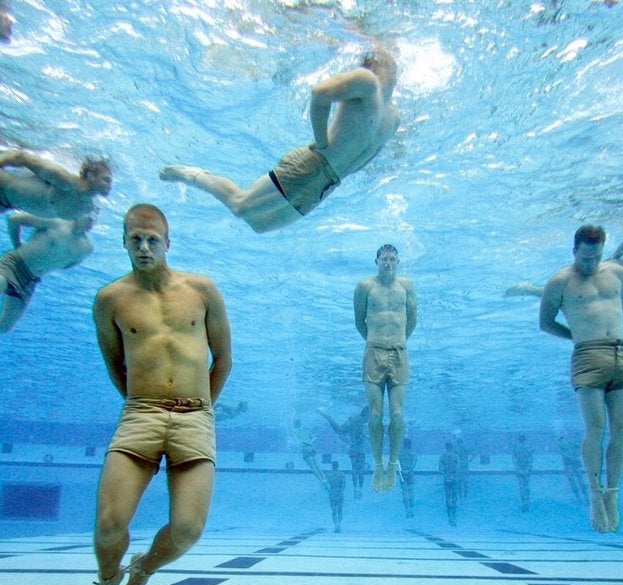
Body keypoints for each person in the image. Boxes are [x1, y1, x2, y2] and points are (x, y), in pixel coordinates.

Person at [84, 204, 232, 585]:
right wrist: (142, 403)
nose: (145, 247)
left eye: (153, 240)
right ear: (125, 242)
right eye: (136, 239)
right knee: (109, 525)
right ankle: (107, 578)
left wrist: (200, 408)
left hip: (195, 416)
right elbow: (115, 363)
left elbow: (224, 359)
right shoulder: (109, 300)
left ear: (168, 243)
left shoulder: (202, 291)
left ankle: (142, 570)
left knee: (188, 530)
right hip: (141, 413)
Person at [159, 47, 400, 233]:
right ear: (375, 60)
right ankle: (194, 175)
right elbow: (320, 93)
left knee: (260, 225)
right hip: (314, 165)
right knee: (241, 206)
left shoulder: (393, 118)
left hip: (330, 183)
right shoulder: (366, 82)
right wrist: (321, 141)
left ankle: (200, 177)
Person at [539, 224, 623, 533]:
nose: (590, 263)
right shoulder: (559, 282)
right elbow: (545, 323)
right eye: (584, 257)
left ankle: (612, 494)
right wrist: (579, 337)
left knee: (621, 429)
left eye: (595, 256)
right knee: (596, 427)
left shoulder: (618, 274)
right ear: (574, 252)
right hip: (587, 356)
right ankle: (595, 496)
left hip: (621, 353)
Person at [354, 243, 417, 493]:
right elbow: (359, 320)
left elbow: (412, 318)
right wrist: (375, 343)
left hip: (399, 353)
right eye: (384, 259)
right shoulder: (365, 287)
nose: (388, 263)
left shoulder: (407, 286)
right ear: (377, 261)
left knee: (398, 415)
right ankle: (378, 464)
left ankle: (393, 464)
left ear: (398, 262)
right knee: (376, 415)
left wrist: (398, 342)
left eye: (392, 259)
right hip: (374, 352)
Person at [504, 215, 623, 296]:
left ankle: (531, 290)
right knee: (572, 291)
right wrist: (614, 259)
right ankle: (529, 289)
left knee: (574, 292)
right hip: (622, 269)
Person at [1, 212, 95, 333]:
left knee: (5, 327)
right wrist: (17, 244)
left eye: (95, 218)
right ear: (78, 214)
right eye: (89, 217)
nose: (92, 221)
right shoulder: (55, 221)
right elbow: (14, 219)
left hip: (30, 280)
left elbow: (68, 265)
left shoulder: (86, 248)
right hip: (14, 264)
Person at [0, 150, 112, 219]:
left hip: (8, 205)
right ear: (90, 176)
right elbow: (22, 157)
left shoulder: (87, 207)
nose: (109, 186)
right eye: (106, 180)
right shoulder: (65, 181)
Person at [318, 406, 369, 499]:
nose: (369, 419)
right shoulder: (361, 423)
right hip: (359, 449)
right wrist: (363, 436)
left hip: (353, 448)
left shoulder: (355, 417)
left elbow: (342, 433)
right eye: (369, 417)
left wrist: (347, 441)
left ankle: (356, 489)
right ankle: (359, 489)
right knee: (360, 470)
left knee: (355, 469)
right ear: (366, 415)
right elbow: (359, 438)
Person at [293, 418, 326, 487]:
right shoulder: (306, 430)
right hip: (311, 447)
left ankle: (321, 481)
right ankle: (324, 478)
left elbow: (298, 442)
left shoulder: (295, 432)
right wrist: (310, 442)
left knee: (312, 467)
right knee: (317, 465)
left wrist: (304, 442)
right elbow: (314, 437)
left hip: (305, 448)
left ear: (295, 425)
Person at [557, 434, 588, 504]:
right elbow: (579, 449)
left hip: (568, 463)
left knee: (573, 480)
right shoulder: (573, 442)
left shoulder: (561, 445)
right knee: (580, 479)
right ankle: (586, 497)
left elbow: (562, 453)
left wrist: (568, 456)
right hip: (575, 463)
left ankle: (579, 498)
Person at [438, 441, 459, 527]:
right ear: (452, 448)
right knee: (454, 498)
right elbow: (458, 468)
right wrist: (453, 476)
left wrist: (446, 476)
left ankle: (449, 516)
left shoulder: (442, 457)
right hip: (454, 479)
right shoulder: (455, 456)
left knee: (448, 497)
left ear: (446, 448)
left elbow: (440, 469)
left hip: (446, 479)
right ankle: (453, 516)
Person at [511, 434, 533, 513]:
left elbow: (514, 459)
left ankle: (524, 502)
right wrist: (528, 468)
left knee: (522, 486)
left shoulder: (516, 448)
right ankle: (526, 501)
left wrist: (518, 468)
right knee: (526, 485)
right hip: (526, 469)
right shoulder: (529, 448)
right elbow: (531, 458)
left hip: (520, 469)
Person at [323, 460, 346, 532]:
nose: (334, 467)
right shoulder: (330, 474)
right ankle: (336, 525)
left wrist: (337, 492)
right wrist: (330, 492)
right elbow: (326, 485)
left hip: (336, 492)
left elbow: (343, 485)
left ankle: (338, 525)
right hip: (334, 492)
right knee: (335, 510)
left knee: (338, 510)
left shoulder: (340, 474)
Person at [399, 437, 417, 518]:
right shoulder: (413, 453)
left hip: (402, 473)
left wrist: (402, 470)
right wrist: (409, 469)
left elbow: (397, 463)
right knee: (411, 491)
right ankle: (411, 509)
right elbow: (414, 463)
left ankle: (407, 510)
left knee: (404, 492)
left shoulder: (400, 453)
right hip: (410, 473)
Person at [455, 438, 473, 503]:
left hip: (459, 466)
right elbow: (474, 454)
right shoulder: (466, 447)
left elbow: (454, 457)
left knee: (459, 482)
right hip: (465, 465)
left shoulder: (456, 448)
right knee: (466, 482)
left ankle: (460, 496)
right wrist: (469, 461)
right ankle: (465, 496)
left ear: (458, 442)